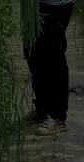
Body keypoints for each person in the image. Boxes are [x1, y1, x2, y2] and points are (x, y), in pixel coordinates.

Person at [24, 0, 75, 136]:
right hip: (34, 5)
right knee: (32, 52)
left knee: (53, 57)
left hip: (56, 4)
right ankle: (42, 108)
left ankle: (58, 117)